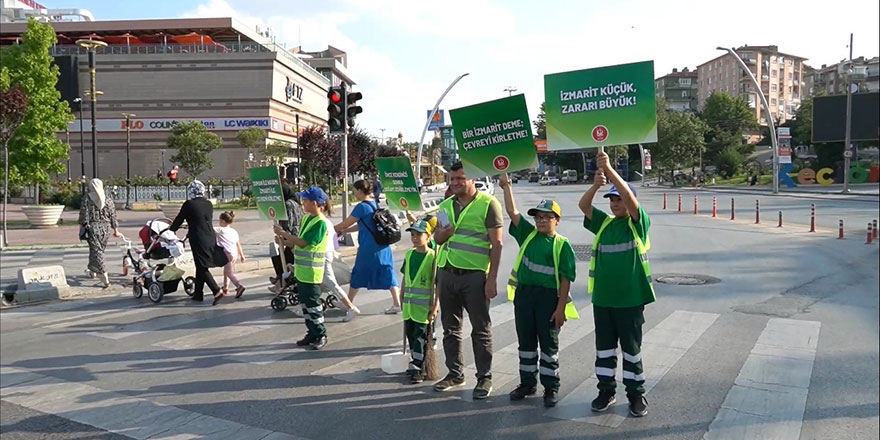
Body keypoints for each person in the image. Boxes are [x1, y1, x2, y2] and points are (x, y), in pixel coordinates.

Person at [578, 151, 655, 418]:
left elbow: (633, 202)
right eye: (611, 200)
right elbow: (584, 207)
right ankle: (606, 391)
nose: (614, 203)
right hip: (603, 300)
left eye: (618, 198)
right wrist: (596, 184)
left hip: (630, 300)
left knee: (632, 352)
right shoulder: (604, 225)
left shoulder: (637, 223)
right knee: (605, 350)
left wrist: (610, 171)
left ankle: (636, 395)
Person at [498, 173, 577, 408]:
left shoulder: (562, 245)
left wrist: (560, 308)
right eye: (539, 217)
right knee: (526, 342)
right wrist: (506, 185)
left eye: (547, 218)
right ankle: (527, 383)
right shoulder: (528, 235)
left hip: (548, 299)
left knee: (549, 345)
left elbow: (565, 279)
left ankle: (551, 387)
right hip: (525, 296)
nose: (541, 221)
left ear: (557, 220)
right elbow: (513, 213)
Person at [431, 161, 503, 400]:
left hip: (474, 277)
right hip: (447, 273)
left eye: (460, 178)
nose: (455, 183)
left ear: (472, 179)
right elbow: (438, 239)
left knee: (480, 329)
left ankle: (484, 378)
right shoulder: (444, 206)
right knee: (450, 329)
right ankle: (454, 373)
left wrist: (492, 278)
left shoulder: (488, 204)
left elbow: (497, 243)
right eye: (452, 179)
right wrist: (444, 232)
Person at [274, 186, 330, 350]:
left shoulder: (320, 223)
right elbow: (298, 241)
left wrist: (284, 233)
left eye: (305, 200)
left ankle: (320, 333)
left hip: (312, 272)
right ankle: (311, 332)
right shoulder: (307, 219)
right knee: (305, 304)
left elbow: (304, 243)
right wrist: (283, 241)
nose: (302, 203)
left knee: (313, 305)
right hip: (302, 271)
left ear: (315, 203)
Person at [334, 179, 401, 314]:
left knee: (358, 273)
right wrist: (345, 231)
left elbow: (345, 223)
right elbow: (363, 225)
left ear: (359, 190)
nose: (353, 192)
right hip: (382, 246)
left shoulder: (361, 207)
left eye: (354, 190)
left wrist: (329, 228)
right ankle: (397, 303)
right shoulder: (373, 204)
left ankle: (348, 303)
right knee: (387, 272)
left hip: (369, 248)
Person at [169, 180, 228, 306]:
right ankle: (198, 294)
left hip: (198, 237)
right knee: (200, 264)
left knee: (201, 265)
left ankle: (216, 290)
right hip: (210, 236)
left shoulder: (189, 204)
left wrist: (170, 230)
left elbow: (179, 220)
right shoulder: (208, 204)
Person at [400, 219, 439, 384]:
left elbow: (438, 285)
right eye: (413, 235)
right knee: (411, 335)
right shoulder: (409, 254)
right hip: (409, 307)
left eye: (419, 235)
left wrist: (436, 306)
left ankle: (419, 367)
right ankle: (415, 363)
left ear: (429, 236)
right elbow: (405, 277)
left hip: (424, 308)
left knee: (420, 338)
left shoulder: (433, 258)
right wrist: (401, 295)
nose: (415, 238)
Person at [318, 200, 360, 322]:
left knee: (331, 283)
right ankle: (311, 306)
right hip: (325, 255)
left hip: (324, 256)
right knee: (321, 282)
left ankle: (351, 307)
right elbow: (335, 245)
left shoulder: (323, 223)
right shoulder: (326, 222)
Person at [79, 178, 121, 288]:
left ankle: (103, 273)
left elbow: (84, 215)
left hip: (93, 228)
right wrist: (116, 230)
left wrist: (81, 228)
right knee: (97, 250)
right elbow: (113, 216)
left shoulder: (87, 199)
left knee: (97, 251)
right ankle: (92, 270)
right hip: (106, 229)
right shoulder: (107, 200)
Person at [270, 183, 305, 293]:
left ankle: (282, 283)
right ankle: (280, 281)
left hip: (292, 236)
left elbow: (288, 223)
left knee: (284, 260)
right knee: (284, 258)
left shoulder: (288, 204)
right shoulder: (295, 203)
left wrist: (283, 235)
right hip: (297, 234)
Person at [215, 211, 246, 299]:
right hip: (234, 253)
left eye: (220, 220)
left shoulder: (220, 230)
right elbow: (238, 244)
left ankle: (238, 286)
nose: (219, 222)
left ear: (223, 221)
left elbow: (208, 228)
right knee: (227, 271)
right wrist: (242, 255)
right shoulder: (234, 231)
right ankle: (225, 288)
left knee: (229, 272)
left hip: (227, 253)